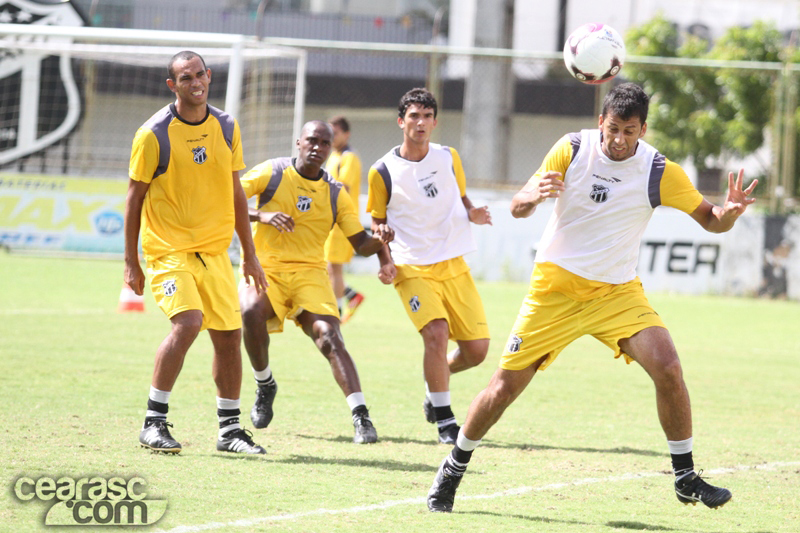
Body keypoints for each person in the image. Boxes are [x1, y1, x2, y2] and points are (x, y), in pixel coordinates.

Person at [427, 82, 758, 512]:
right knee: (504, 388)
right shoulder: (572, 149)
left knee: (669, 367)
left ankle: (685, 476)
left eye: (630, 131)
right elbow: (518, 206)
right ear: (601, 121)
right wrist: (532, 195)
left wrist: (728, 214)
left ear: (642, 130)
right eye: (614, 128)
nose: (620, 140)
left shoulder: (659, 171)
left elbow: (710, 220)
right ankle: (452, 469)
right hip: (555, 291)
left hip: (616, 293)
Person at [124, 50, 269, 455]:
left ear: (209, 76)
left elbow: (236, 192)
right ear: (173, 86)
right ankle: (153, 422)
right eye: (186, 78)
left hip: (215, 253)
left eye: (200, 74)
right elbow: (134, 199)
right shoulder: (152, 134)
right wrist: (131, 261)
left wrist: (250, 254)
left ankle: (229, 431)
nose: (196, 82)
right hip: (168, 251)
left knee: (228, 337)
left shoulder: (226, 127)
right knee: (188, 324)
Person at [239, 120, 394, 444]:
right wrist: (261, 215)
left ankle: (361, 416)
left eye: (325, 143)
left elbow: (360, 245)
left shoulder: (336, 193)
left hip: (311, 275)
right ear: (298, 142)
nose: (318, 147)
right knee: (251, 311)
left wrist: (380, 239)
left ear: (330, 148)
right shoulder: (273, 173)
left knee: (329, 336)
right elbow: (228, 199)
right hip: (267, 270)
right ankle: (265, 383)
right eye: (312, 140)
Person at [367, 88, 492, 444]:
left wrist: (474, 212)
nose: (420, 123)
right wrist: (385, 259)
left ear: (435, 122)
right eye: (413, 116)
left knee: (477, 351)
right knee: (436, 333)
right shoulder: (383, 171)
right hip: (411, 266)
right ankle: (445, 419)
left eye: (426, 116)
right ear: (400, 121)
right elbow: (377, 223)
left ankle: (433, 386)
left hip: (453, 261)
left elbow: (462, 196)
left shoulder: (448, 157)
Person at [324, 115, 365, 322]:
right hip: (330, 219)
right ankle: (351, 296)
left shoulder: (349, 157)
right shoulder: (333, 156)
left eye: (336, 133)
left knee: (333, 267)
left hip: (341, 220)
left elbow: (343, 187)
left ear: (346, 134)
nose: (331, 137)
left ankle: (336, 312)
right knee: (324, 266)